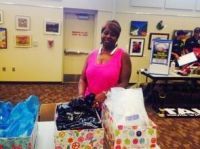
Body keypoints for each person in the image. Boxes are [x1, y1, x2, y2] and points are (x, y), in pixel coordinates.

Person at [78, 20, 132, 108]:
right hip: (90, 103)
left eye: (113, 34)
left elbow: (124, 83)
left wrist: (106, 94)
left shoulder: (123, 56)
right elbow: (82, 79)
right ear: (101, 34)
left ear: (117, 37)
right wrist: (81, 95)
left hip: (111, 105)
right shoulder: (91, 54)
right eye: (105, 33)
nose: (108, 36)